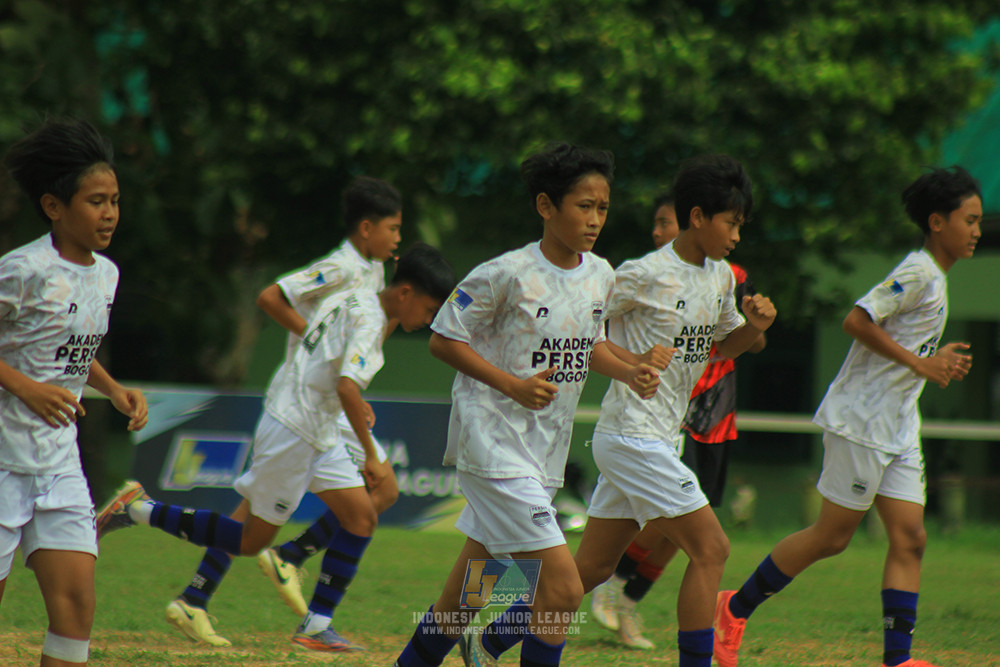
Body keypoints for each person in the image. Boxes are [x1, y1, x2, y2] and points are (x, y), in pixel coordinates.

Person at [97, 242, 455, 653]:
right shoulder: (370, 321)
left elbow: (333, 372)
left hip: (314, 424)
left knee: (361, 517)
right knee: (250, 541)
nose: (428, 319)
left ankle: (316, 626)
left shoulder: (353, 296)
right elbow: (346, 386)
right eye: (429, 309)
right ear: (406, 293)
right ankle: (138, 509)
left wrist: (346, 406)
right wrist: (372, 456)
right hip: (295, 430)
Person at [392, 142, 660, 667]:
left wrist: (630, 370)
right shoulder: (504, 273)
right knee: (561, 590)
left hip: (542, 455)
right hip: (493, 446)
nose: (595, 219)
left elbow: (591, 345)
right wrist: (511, 385)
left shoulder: (601, 275)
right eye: (584, 206)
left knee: (463, 597)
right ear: (546, 206)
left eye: (603, 207)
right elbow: (443, 338)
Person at [712, 166, 981, 667]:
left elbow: (900, 341)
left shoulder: (935, 280)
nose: (978, 231)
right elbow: (856, 320)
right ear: (938, 221)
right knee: (831, 538)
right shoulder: (918, 270)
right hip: (862, 421)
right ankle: (735, 606)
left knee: (910, 538)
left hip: (899, 425)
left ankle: (897, 659)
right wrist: (924, 362)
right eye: (970, 219)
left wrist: (932, 355)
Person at [165, 175, 405, 638]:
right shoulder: (338, 267)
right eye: (393, 228)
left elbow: (362, 342)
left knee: (277, 505)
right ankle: (285, 559)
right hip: (304, 400)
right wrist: (315, 339)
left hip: (332, 400)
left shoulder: (374, 272)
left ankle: (202, 594)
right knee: (376, 489)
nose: (398, 238)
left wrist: (355, 384)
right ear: (367, 228)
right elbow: (270, 296)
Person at [0, 118, 149, 667]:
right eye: (95, 201)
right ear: (54, 206)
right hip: (0, 460)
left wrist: (114, 389)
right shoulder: (22, 270)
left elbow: (71, 350)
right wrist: (26, 389)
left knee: (76, 609)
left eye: (114, 200)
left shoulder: (105, 275)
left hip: (57, 465)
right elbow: (31, 369)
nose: (109, 213)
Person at [591, 191, 766, 649]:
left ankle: (489, 640)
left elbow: (724, 348)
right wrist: (633, 365)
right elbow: (581, 334)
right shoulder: (642, 273)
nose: (736, 235)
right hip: (631, 435)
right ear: (698, 216)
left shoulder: (723, 277)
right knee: (712, 548)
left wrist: (755, 328)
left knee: (589, 569)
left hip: (660, 438)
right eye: (731, 223)